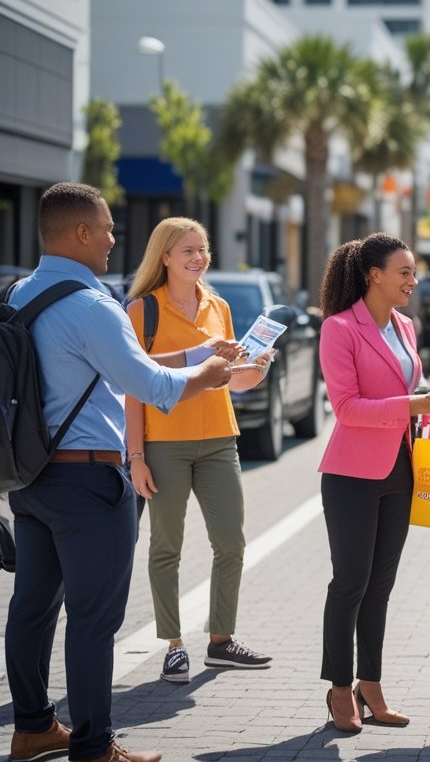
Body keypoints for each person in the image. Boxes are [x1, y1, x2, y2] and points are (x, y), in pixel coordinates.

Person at [6, 183, 231, 762]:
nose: (113, 238)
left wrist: (189, 357)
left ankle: (32, 728)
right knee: (93, 617)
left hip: (30, 478)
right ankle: (95, 745)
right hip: (88, 483)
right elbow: (149, 387)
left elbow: (120, 362)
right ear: (80, 232)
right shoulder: (92, 304)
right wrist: (204, 375)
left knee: (31, 608)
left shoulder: (19, 295)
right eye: (106, 228)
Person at [316, 233, 430, 734]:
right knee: (350, 584)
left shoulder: (405, 325)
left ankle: (370, 685)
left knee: (380, 586)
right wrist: (415, 404)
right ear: (374, 275)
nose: (412, 281)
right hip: (351, 474)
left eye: (413, 272)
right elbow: (347, 408)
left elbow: (401, 389)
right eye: (404, 272)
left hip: (401, 468)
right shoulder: (338, 329)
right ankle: (339, 689)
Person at [124, 217, 275, 684]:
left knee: (231, 542)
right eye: (187, 250)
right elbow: (134, 386)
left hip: (219, 440)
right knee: (166, 546)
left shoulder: (219, 306)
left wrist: (258, 369)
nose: (197, 258)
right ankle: (173, 645)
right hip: (163, 443)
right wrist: (136, 457)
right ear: (164, 256)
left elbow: (232, 378)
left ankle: (220, 642)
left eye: (202, 249)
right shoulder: (141, 311)